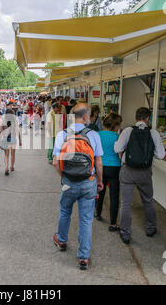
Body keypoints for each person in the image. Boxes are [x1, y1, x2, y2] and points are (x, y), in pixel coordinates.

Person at [52, 103, 104, 270]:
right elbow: (98, 162)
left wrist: (64, 177)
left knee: (65, 211)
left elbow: (55, 162)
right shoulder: (94, 135)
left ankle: (61, 240)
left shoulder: (63, 135)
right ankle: (83, 257)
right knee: (86, 219)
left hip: (68, 182)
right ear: (85, 117)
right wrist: (99, 180)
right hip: (88, 182)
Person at [114, 107, 165, 245]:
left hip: (128, 171)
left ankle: (125, 233)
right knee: (148, 200)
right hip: (145, 172)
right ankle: (151, 228)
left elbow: (117, 148)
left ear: (136, 118)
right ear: (148, 119)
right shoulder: (153, 133)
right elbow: (160, 155)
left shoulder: (127, 131)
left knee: (125, 203)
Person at [95, 113, 123, 232]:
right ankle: (113, 223)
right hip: (114, 167)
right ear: (115, 125)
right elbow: (120, 153)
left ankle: (98, 213)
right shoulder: (117, 137)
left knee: (100, 191)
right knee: (114, 196)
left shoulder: (97, 135)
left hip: (100, 167)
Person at [0, 109, 22, 176]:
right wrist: (20, 140)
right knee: (13, 154)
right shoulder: (14, 120)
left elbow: (1, 130)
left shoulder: (3, 119)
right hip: (13, 138)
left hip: (5, 138)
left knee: (6, 155)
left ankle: (6, 167)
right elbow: (17, 130)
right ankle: (12, 166)